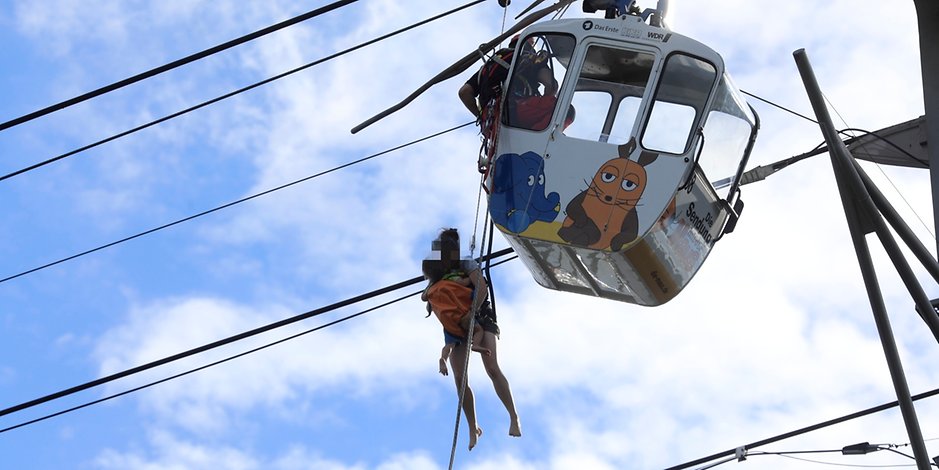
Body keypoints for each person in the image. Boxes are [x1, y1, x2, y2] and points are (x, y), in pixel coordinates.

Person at [421, 228, 521, 451]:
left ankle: (514, 417)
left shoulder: (466, 264)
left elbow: (482, 290)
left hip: (479, 316)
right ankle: (473, 426)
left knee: (492, 367)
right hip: (456, 324)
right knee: (460, 377)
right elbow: (430, 294)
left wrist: (471, 315)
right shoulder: (438, 272)